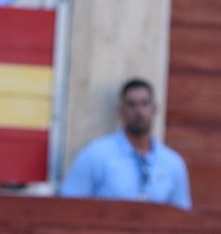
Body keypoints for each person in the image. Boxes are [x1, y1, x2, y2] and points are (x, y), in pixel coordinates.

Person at [58, 79, 190, 209]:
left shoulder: (172, 163)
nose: (139, 112)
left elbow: (182, 215)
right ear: (121, 110)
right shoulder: (96, 154)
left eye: (144, 104)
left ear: (154, 109)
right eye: (131, 105)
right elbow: (68, 205)